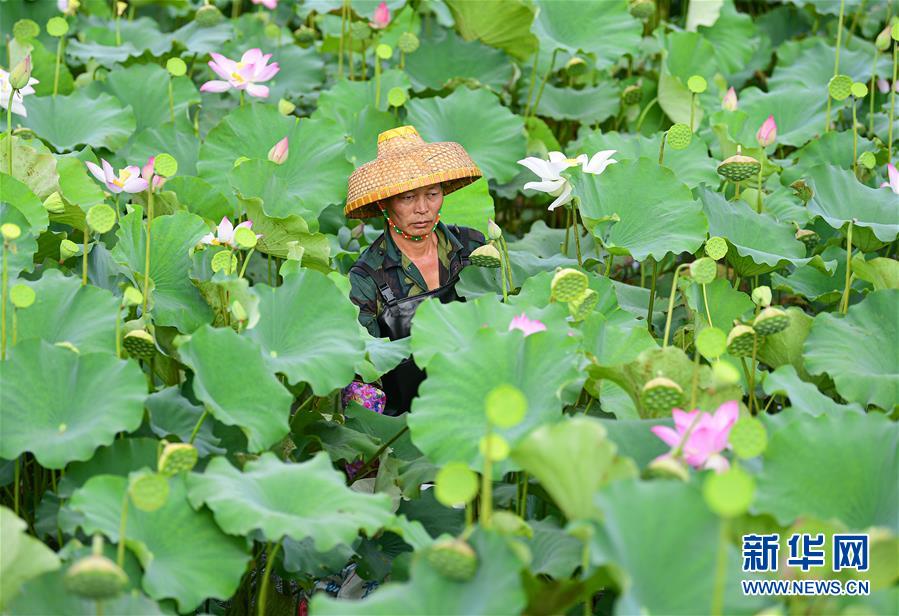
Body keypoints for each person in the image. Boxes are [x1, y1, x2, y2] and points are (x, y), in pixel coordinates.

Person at [344, 125, 486, 415]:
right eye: (408, 198)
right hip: (405, 417)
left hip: (476, 394)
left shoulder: (472, 247)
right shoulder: (367, 276)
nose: (423, 209)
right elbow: (363, 365)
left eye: (432, 194)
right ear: (385, 203)